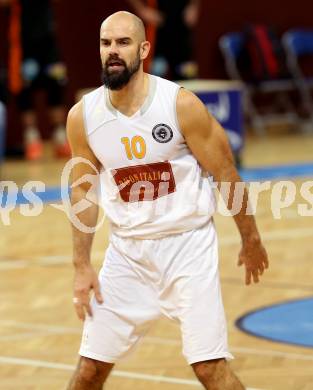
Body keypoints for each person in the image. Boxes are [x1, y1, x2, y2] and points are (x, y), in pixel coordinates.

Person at [66, 11, 269, 390]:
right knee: (90, 370)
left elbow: (226, 173)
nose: (113, 51)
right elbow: (82, 191)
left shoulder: (180, 105)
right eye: (106, 43)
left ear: (143, 49)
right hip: (126, 254)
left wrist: (251, 237)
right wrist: (81, 266)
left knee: (209, 368)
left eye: (123, 43)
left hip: (187, 249)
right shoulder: (83, 116)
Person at [0, 0, 70, 160]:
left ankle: (60, 138)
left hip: (48, 42)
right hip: (24, 43)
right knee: (24, 89)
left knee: (56, 85)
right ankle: (32, 139)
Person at [127, 0, 200, 79]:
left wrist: (194, 6)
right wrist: (142, 10)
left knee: (187, 77)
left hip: (182, 28)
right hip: (156, 29)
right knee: (156, 75)